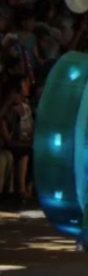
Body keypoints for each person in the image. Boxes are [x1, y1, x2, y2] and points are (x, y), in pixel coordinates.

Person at [0, 74, 35, 203]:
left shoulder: (26, 108)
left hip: (19, 141)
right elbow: (8, 140)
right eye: (25, 84)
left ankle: (27, 189)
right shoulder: (7, 111)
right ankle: (21, 191)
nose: (28, 86)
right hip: (8, 144)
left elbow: (27, 132)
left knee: (33, 150)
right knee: (25, 151)